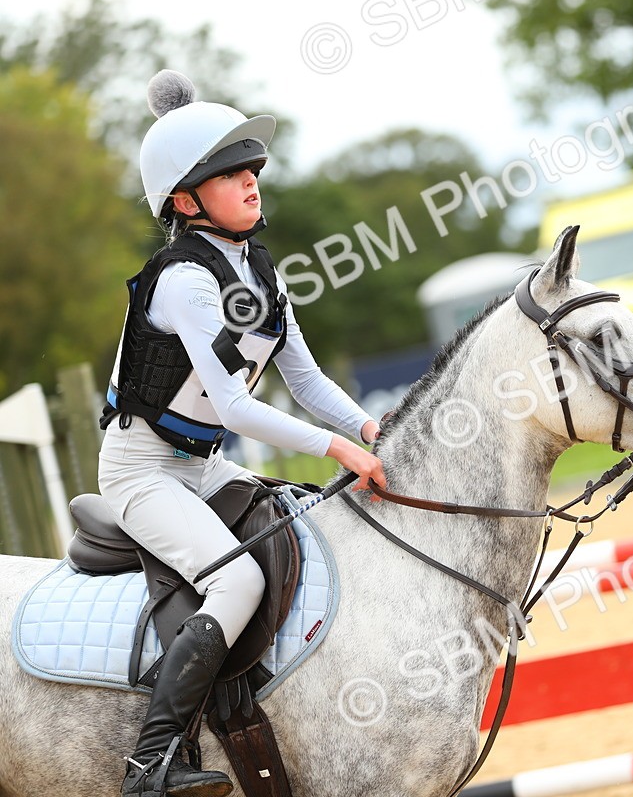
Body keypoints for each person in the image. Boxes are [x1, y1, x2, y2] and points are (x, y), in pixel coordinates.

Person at [99, 70, 387, 797]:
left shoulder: (261, 270)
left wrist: (368, 424)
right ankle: (150, 764)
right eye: (231, 174)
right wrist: (336, 448)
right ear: (185, 199)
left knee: (301, 528)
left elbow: (307, 380)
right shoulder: (182, 281)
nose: (252, 181)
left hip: (200, 469)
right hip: (141, 473)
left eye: (252, 168)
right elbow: (232, 407)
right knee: (237, 578)